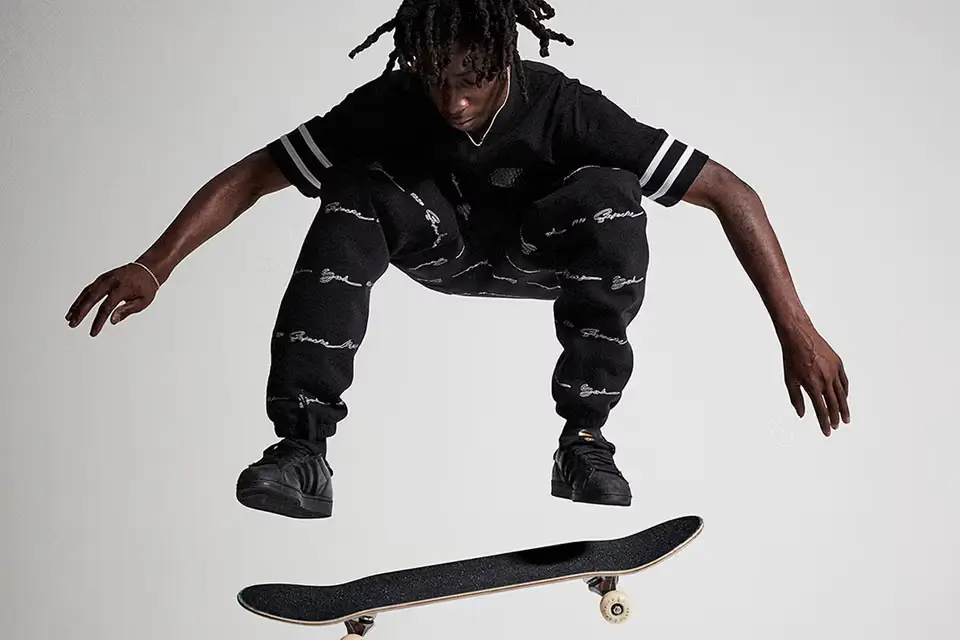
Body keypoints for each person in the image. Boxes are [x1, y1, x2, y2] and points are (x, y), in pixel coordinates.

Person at [65, 0, 850, 519]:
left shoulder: (564, 104)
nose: (456, 104)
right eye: (438, 82)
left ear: (505, 57)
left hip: (537, 257)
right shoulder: (389, 104)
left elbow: (730, 193)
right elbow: (256, 174)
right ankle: (303, 451)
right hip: (434, 247)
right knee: (349, 185)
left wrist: (796, 329)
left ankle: (584, 445)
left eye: (473, 83)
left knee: (614, 192)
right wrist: (155, 264)